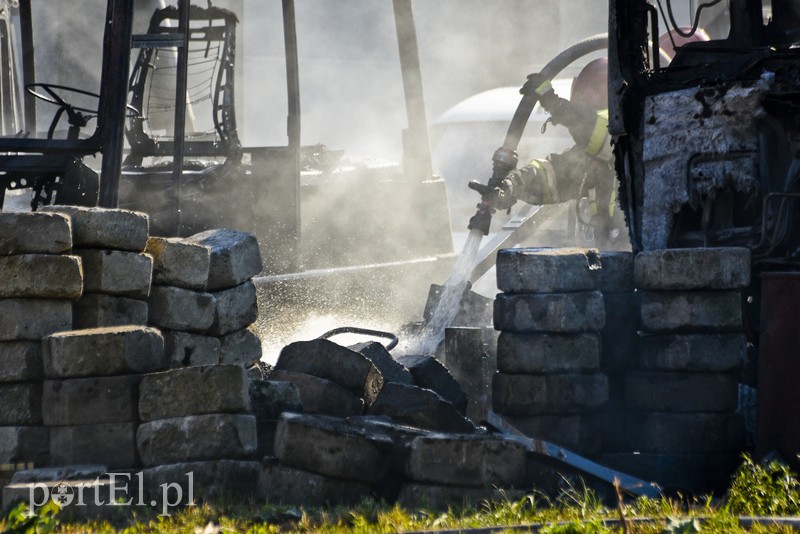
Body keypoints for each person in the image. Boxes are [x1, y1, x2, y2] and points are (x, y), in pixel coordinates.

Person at [495, 57, 628, 250]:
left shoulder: (632, 133)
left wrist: (554, 103)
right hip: (610, 261)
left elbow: (600, 129)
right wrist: (513, 184)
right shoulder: (595, 159)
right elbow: (551, 176)